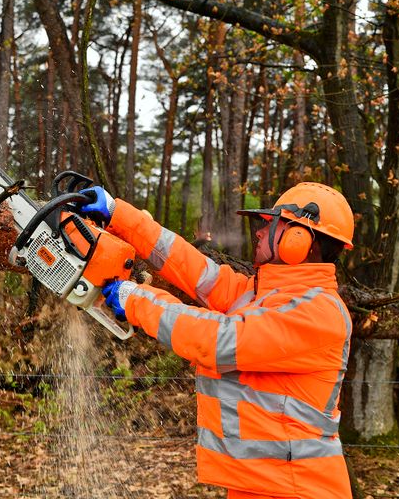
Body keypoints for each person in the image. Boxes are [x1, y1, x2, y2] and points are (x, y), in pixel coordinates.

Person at [79, 182, 354, 499]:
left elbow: (220, 340)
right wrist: (120, 215)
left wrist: (136, 300)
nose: (260, 233)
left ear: (299, 238)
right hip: (260, 484)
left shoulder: (318, 313)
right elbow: (198, 271)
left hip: (298, 489)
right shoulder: (263, 295)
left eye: (271, 225)